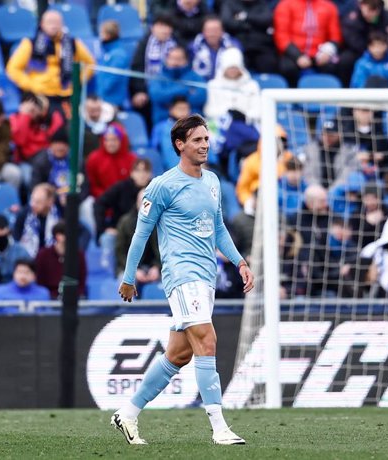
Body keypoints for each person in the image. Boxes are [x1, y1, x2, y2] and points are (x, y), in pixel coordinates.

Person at [112, 115, 254, 445]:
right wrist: (129, 277)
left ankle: (128, 414)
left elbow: (218, 228)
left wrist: (240, 261)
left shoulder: (213, 182)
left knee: (179, 355)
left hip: (205, 277)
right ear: (180, 145)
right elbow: (140, 233)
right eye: (197, 140)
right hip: (180, 275)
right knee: (207, 342)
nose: (204, 145)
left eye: (206, 139)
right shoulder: (162, 185)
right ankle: (220, 427)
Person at [5, 10, 95, 102]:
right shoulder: (30, 43)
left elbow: (90, 63)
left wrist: (77, 81)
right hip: (40, 95)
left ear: (62, 24)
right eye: (50, 22)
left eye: (57, 23)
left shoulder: (73, 43)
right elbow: (13, 69)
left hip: (67, 93)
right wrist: (30, 85)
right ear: (42, 24)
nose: (53, 26)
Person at [273, 0, 342, 87]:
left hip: (319, 53)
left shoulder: (329, 6)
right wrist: (297, 56)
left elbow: (335, 36)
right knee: (288, 68)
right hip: (294, 53)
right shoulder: (285, 5)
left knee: (335, 66)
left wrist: (327, 52)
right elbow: (281, 36)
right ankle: (293, 99)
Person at [148, 46, 207, 126]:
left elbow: (199, 98)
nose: (175, 62)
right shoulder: (158, 77)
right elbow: (157, 96)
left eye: (179, 59)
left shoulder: (195, 77)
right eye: (172, 58)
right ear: (166, 59)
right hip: (163, 122)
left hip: (192, 123)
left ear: (186, 60)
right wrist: (185, 90)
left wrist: (169, 99)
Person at [220, 0, 278, 74]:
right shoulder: (230, 3)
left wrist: (245, 16)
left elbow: (266, 19)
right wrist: (252, 25)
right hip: (239, 46)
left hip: (261, 46)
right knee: (233, 60)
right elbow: (227, 22)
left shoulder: (262, 3)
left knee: (270, 63)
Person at [204, 47, 260, 122]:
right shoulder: (213, 85)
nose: (232, 70)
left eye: (235, 67)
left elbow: (258, 110)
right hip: (221, 127)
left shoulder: (252, 85)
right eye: (230, 67)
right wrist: (227, 114)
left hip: (246, 125)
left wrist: (244, 116)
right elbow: (209, 110)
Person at [34, 221, 87, 299]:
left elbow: (81, 281)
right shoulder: (43, 254)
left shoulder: (79, 255)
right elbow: (39, 281)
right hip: (49, 297)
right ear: (57, 236)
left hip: (73, 297)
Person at [85, 123, 138, 199]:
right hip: (101, 200)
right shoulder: (94, 158)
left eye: (114, 139)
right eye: (107, 140)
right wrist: (107, 197)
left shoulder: (132, 159)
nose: (110, 143)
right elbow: (92, 185)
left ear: (121, 140)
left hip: (126, 200)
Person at [190, 16, 242, 81]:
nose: (212, 34)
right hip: (201, 86)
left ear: (222, 31)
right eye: (209, 30)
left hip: (226, 86)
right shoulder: (193, 47)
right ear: (203, 31)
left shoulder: (234, 46)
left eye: (216, 30)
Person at [96, 20, 131, 108]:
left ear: (107, 35)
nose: (99, 36)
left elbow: (112, 79)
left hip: (112, 102)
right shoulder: (109, 52)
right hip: (104, 100)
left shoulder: (118, 55)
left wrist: (100, 94)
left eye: (101, 33)